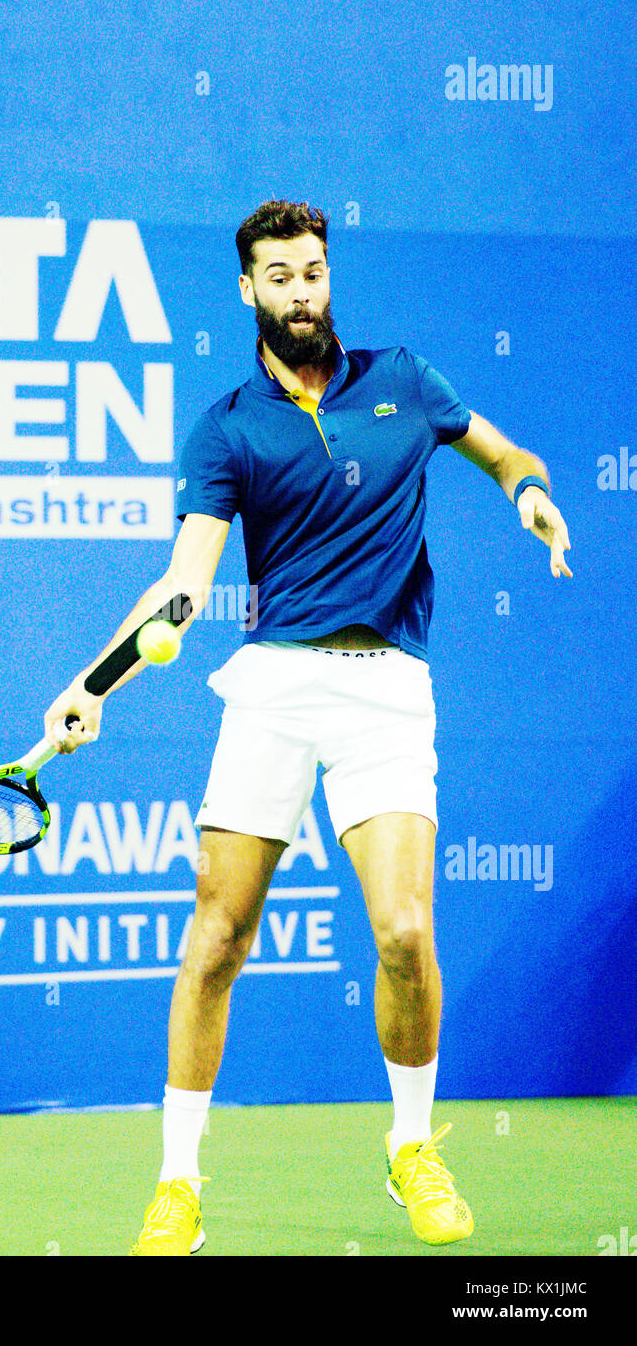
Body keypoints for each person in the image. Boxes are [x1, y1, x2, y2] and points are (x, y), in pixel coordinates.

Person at [43, 200, 573, 1256]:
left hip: (386, 688)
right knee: (215, 939)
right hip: (273, 689)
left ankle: (412, 1148)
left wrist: (529, 496)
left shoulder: (405, 381)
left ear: (330, 279)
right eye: (279, 276)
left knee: (405, 932)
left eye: (313, 271)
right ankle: (177, 1180)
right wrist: (93, 682)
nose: (301, 292)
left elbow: (506, 454)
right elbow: (185, 587)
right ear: (247, 291)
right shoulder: (227, 424)